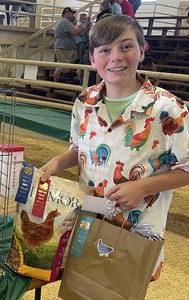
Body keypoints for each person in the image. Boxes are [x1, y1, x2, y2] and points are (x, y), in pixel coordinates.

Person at [41, 15, 189, 282]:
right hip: (89, 218)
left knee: (121, 289)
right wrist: (58, 163)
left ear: (142, 52)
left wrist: (142, 187)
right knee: (81, 285)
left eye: (126, 46)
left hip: (137, 227)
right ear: (92, 59)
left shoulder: (167, 108)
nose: (115, 57)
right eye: (105, 50)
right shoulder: (85, 101)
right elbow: (79, 149)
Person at [53, 7, 90, 82]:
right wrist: (84, 25)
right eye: (72, 13)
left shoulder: (67, 22)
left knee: (66, 66)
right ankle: (55, 83)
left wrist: (85, 29)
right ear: (67, 13)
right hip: (63, 48)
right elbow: (74, 32)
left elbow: (80, 34)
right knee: (61, 66)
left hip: (68, 48)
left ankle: (58, 83)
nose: (73, 15)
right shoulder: (64, 21)